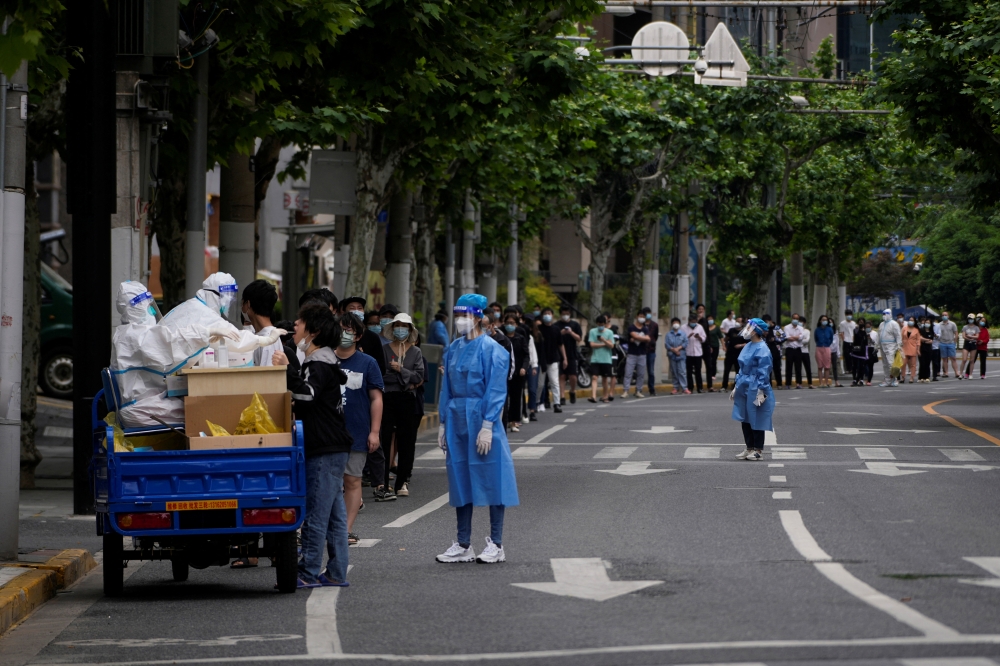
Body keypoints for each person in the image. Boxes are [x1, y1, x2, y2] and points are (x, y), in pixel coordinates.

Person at [272, 303, 353, 588]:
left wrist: (286, 371)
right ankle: (336, 572)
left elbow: (307, 396)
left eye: (301, 321)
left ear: (314, 331)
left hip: (324, 447)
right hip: (334, 445)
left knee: (316, 514)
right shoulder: (325, 360)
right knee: (334, 516)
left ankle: (307, 572)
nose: (295, 325)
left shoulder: (318, 362)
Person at [435, 294, 518, 564]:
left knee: (494, 477)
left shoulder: (494, 350)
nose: (461, 321)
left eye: (466, 315)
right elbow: (446, 388)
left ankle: (497, 542)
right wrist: (443, 422)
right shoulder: (453, 349)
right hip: (457, 417)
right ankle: (463, 543)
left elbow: (496, 389)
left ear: (479, 317)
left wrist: (487, 424)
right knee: (459, 478)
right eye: (457, 315)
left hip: (482, 418)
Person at [111, 281, 244, 428]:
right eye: (148, 307)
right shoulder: (134, 336)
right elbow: (170, 342)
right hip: (142, 408)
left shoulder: (126, 333)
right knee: (202, 412)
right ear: (136, 308)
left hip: (143, 402)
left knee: (195, 406)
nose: (153, 312)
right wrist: (207, 331)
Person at [326, 313, 386, 546]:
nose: (344, 334)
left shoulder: (368, 363)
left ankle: (345, 530)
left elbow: (376, 399)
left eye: (349, 330)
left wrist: (374, 432)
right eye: (340, 329)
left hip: (357, 433)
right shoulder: (324, 359)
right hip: (328, 433)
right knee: (328, 483)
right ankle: (326, 526)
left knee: (352, 481)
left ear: (358, 336)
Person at [380, 313, 424, 498]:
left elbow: (419, 377)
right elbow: (381, 375)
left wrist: (400, 370)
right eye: (397, 325)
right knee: (384, 439)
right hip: (387, 397)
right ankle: (382, 482)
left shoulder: (416, 352)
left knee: (407, 441)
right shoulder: (384, 349)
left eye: (404, 326)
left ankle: (402, 481)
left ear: (410, 330)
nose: (400, 329)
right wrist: (406, 378)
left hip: (407, 399)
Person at [731, 318, 774, 462]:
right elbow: (742, 369)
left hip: (756, 386)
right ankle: (749, 447)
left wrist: (762, 391)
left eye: (750, 327)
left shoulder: (763, 348)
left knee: (757, 417)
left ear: (756, 330)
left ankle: (758, 450)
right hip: (744, 385)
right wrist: (736, 386)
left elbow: (764, 371)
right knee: (745, 417)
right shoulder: (748, 345)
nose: (747, 329)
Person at [240, 280, 283, 368]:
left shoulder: (270, 340)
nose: (241, 308)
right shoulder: (262, 336)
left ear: (248, 304)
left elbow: (265, 378)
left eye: (242, 303)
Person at [502, 313, 530, 430]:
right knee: (504, 398)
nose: (509, 325)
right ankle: (504, 420)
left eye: (512, 323)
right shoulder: (501, 338)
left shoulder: (520, 338)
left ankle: (513, 421)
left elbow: (526, 355)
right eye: (507, 323)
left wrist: (524, 367)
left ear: (517, 324)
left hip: (518, 373)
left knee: (516, 398)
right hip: (503, 372)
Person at [537, 307, 565, 413]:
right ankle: (537, 402)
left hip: (553, 359)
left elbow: (561, 344)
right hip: (541, 360)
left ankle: (557, 404)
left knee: (554, 382)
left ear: (552, 315)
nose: (547, 315)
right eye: (545, 314)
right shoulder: (539, 329)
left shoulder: (556, 329)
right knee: (540, 384)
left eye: (549, 313)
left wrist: (564, 358)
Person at [555, 305, 583, 404]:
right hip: (559, 354)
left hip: (572, 353)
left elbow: (579, 338)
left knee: (573, 376)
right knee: (561, 375)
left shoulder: (575, 325)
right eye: (563, 314)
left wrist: (571, 333)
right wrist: (561, 333)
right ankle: (562, 396)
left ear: (570, 314)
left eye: (567, 314)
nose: (565, 316)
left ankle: (572, 391)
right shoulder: (557, 325)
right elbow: (554, 338)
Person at [587, 314, 615, 403]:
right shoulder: (592, 331)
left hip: (606, 359)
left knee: (604, 378)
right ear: (596, 323)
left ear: (605, 323)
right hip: (595, 359)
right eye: (599, 324)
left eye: (602, 324)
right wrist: (604, 344)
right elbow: (592, 344)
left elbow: (611, 345)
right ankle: (593, 396)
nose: (600, 326)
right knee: (594, 377)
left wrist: (603, 340)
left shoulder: (609, 332)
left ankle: (605, 396)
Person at [623, 311, 650, 398]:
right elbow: (635, 336)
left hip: (642, 354)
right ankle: (626, 391)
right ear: (637, 316)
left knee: (641, 374)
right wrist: (643, 338)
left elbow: (648, 339)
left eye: (643, 316)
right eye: (640, 316)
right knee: (628, 373)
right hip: (632, 354)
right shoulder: (631, 327)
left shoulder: (645, 328)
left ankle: (638, 390)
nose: (642, 318)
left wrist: (639, 338)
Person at [877, 309, 902, 387]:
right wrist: (876, 344)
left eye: (886, 314)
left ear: (890, 314)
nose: (884, 315)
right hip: (882, 345)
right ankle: (887, 380)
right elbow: (879, 335)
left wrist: (898, 345)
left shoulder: (894, 324)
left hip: (891, 345)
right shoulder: (881, 324)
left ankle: (894, 379)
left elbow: (898, 335)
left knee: (891, 363)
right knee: (885, 364)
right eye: (883, 314)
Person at [664, 317, 689, 395]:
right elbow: (667, 344)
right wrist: (674, 350)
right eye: (674, 323)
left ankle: (684, 388)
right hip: (672, 355)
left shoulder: (683, 334)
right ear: (672, 324)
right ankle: (675, 387)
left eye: (677, 323)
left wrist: (678, 348)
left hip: (681, 355)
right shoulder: (668, 334)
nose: (676, 324)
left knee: (682, 371)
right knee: (674, 372)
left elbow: (685, 343)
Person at [683, 313, 707, 393]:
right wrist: (688, 336)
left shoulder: (699, 327)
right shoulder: (683, 327)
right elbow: (681, 339)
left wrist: (699, 337)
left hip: (697, 352)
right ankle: (690, 387)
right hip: (688, 352)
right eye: (692, 321)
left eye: (695, 321)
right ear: (689, 321)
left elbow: (704, 338)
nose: (693, 323)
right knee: (688, 371)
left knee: (698, 371)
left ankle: (699, 387)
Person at [721, 316, 745, 390]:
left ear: (742, 323)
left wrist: (740, 345)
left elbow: (748, 343)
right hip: (730, 353)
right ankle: (724, 386)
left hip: (739, 354)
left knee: (738, 371)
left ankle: (736, 386)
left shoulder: (744, 332)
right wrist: (724, 345)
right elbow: (726, 339)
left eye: (739, 321)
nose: (737, 323)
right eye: (736, 321)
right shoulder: (731, 330)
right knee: (726, 370)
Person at [782, 314, 805, 389]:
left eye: (797, 319)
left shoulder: (801, 328)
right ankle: (788, 383)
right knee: (789, 366)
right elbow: (787, 337)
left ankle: (798, 383)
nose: (795, 320)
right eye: (794, 318)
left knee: (798, 367)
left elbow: (801, 338)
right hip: (789, 349)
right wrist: (797, 337)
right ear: (791, 318)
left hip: (798, 349)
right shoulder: (787, 327)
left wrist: (794, 337)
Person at [641, 307, 660, 396]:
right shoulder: (640, 324)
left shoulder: (655, 325)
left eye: (649, 312)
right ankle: (639, 389)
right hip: (641, 350)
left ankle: (651, 389)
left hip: (651, 350)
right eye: (646, 313)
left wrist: (651, 342)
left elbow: (655, 337)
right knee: (640, 370)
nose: (648, 315)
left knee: (651, 371)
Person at [813, 315, 835, 388]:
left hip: (827, 348)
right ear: (820, 321)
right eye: (823, 319)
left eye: (826, 320)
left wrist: (827, 344)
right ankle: (821, 382)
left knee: (827, 367)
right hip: (819, 348)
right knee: (820, 366)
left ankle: (826, 382)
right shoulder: (817, 329)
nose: (824, 321)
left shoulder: (830, 329)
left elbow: (831, 339)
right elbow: (815, 339)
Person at [763, 316, 783, 388]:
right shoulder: (765, 329)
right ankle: (769, 384)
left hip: (776, 350)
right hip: (767, 350)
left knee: (777, 368)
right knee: (768, 368)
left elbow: (783, 337)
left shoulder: (776, 329)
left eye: (767, 322)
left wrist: (775, 339)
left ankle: (779, 384)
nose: (766, 323)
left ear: (770, 321)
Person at [938, 311, 959, 378]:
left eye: (945, 315)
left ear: (948, 316)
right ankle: (946, 372)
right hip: (942, 343)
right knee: (944, 359)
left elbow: (956, 333)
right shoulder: (939, 325)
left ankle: (956, 372)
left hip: (951, 343)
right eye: (943, 315)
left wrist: (954, 342)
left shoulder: (952, 324)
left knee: (953, 358)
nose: (944, 316)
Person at [704, 315, 722, 392]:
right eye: (708, 319)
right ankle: (710, 374)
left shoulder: (716, 328)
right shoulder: (705, 328)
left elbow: (721, 337)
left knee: (714, 360)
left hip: (715, 346)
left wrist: (723, 346)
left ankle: (713, 374)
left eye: (711, 319)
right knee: (709, 362)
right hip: (708, 346)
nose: (710, 321)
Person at [849, 322, 870, 387]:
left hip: (862, 352)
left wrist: (866, 354)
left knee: (861, 366)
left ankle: (860, 379)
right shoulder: (856, 331)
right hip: (855, 351)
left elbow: (866, 343)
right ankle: (855, 379)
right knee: (855, 366)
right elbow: (855, 335)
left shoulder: (864, 333)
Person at [901, 316, 920, 383]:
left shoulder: (916, 330)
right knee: (903, 363)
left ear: (914, 322)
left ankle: (912, 377)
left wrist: (918, 349)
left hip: (913, 348)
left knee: (913, 364)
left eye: (912, 320)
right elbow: (901, 338)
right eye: (909, 320)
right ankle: (903, 377)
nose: (910, 321)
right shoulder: (904, 328)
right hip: (904, 348)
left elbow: (918, 340)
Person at [961, 313, 981, 379]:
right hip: (966, 343)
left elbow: (977, 336)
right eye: (969, 319)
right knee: (964, 359)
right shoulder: (965, 327)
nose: (970, 320)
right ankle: (961, 373)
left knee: (972, 360)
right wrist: (968, 337)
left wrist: (971, 337)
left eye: (971, 319)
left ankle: (970, 374)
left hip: (973, 344)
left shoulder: (976, 327)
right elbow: (963, 336)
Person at [970, 314, 990, 379]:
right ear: (979, 321)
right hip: (975, 347)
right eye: (982, 321)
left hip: (983, 347)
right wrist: (978, 341)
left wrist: (983, 341)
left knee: (983, 362)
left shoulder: (985, 330)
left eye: (984, 321)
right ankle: (968, 373)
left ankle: (983, 374)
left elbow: (987, 339)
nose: (983, 322)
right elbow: (973, 336)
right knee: (972, 360)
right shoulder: (975, 328)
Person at [838, 310, 857, 377]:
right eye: (848, 314)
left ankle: (852, 368)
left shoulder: (853, 323)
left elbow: (855, 332)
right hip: (846, 340)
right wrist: (843, 340)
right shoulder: (842, 323)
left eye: (850, 314)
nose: (849, 316)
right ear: (845, 315)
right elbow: (841, 332)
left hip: (852, 341)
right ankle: (847, 369)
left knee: (853, 355)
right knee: (846, 355)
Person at [917, 316, 935, 383]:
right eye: (926, 322)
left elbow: (931, 341)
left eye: (928, 322)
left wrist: (925, 340)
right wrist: (926, 340)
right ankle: (921, 377)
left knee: (927, 363)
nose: (927, 323)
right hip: (922, 349)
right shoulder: (921, 330)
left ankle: (927, 377)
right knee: (922, 363)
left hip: (929, 349)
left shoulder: (931, 331)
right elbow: (920, 338)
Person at [865, 320, 878, 385]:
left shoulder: (874, 333)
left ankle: (869, 380)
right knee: (864, 365)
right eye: (866, 327)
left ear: (871, 327)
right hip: (865, 349)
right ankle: (865, 378)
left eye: (869, 327)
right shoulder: (863, 333)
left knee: (870, 366)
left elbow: (875, 343)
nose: (867, 328)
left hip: (871, 349)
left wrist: (870, 339)